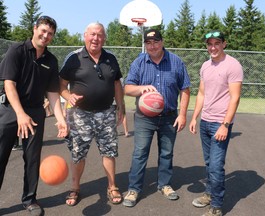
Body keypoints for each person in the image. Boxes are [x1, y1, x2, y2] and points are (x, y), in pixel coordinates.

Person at [0, 16, 68, 216]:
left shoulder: (51, 60)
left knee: (32, 159)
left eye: (50, 34)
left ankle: (30, 200)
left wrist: (61, 119)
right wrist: (20, 114)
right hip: (11, 110)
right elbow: (9, 84)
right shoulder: (17, 51)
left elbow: (53, 94)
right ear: (35, 28)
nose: (46, 36)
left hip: (36, 112)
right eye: (43, 31)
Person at [123, 29, 191, 207]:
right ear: (145, 44)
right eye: (148, 43)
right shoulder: (139, 62)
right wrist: (142, 88)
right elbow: (127, 88)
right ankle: (134, 189)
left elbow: (185, 89)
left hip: (169, 117)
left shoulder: (176, 62)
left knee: (167, 153)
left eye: (155, 42)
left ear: (162, 42)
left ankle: (165, 185)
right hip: (145, 117)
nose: (152, 46)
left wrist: (183, 114)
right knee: (140, 153)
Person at [59, 22, 124, 206]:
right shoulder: (74, 58)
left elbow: (117, 84)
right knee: (78, 154)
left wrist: (120, 106)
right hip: (80, 115)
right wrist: (68, 96)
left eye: (100, 35)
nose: (96, 38)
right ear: (85, 36)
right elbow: (61, 85)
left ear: (104, 38)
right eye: (92, 34)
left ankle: (112, 186)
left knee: (109, 152)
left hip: (106, 113)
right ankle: (75, 187)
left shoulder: (111, 58)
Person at [189, 30, 243, 216]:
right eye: (209, 44)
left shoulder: (233, 65)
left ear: (224, 44)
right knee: (209, 162)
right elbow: (202, 93)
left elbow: (235, 98)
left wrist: (225, 125)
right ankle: (210, 194)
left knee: (216, 166)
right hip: (205, 121)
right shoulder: (205, 66)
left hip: (221, 124)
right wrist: (195, 117)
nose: (213, 47)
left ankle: (217, 207)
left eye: (217, 43)